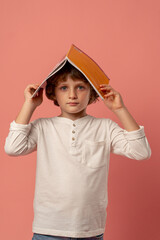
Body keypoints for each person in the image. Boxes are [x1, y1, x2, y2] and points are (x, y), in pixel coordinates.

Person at [4, 62, 151, 240]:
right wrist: (30, 105)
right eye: (64, 87)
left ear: (92, 92)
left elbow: (141, 151)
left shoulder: (104, 127)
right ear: (53, 93)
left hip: (90, 231)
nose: (72, 95)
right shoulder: (44, 127)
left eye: (80, 87)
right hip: (48, 229)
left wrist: (120, 109)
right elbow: (13, 147)